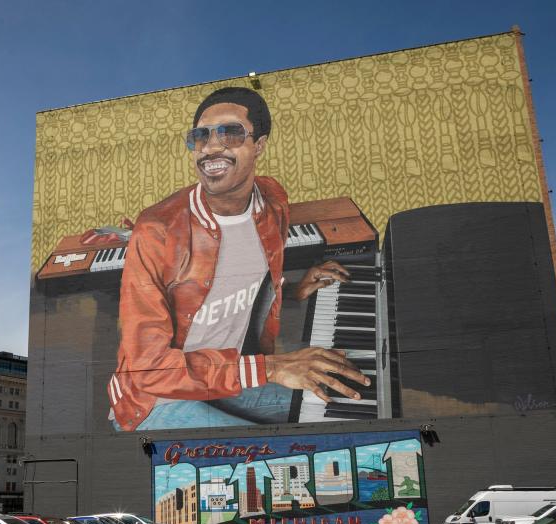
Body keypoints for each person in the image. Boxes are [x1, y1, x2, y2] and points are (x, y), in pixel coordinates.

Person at [108, 87, 367, 431]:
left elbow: (239, 284)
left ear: (259, 145)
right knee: (271, 457)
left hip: (226, 381)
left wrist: (290, 289)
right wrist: (271, 368)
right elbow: (149, 368)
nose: (212, 146)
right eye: (200, 136)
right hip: (154, 398)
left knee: (347, 402)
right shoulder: (157, 230)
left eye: (230, 133)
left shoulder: (272, 199)